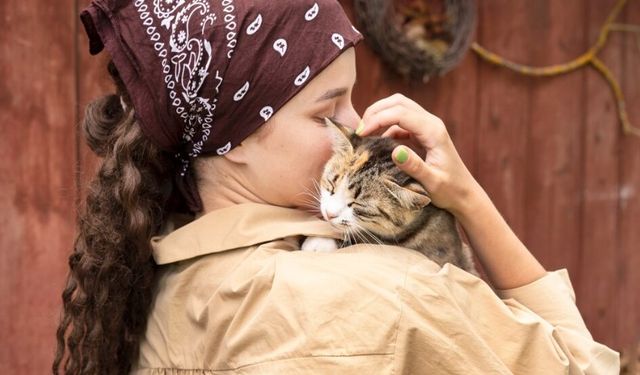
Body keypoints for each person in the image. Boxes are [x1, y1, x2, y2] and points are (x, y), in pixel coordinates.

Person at [54, 0, 619, 374]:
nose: (356, 125)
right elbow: (581, 365)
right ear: (237, 138)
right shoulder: (393, 297)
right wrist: (470, 199)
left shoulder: (150, 284)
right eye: (328, 109)